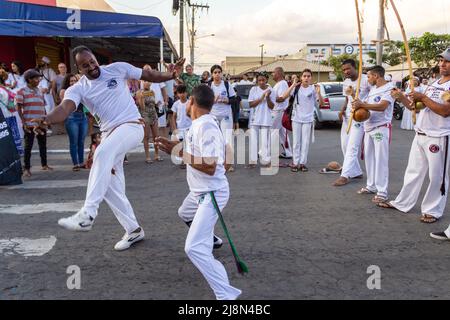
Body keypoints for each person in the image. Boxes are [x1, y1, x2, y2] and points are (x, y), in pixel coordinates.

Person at [31, 46, 184, 251]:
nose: (92, 67)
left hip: (131, 126)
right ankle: (133, 230)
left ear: (96, 59)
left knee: (102, 154)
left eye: (92, 61)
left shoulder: (117, 69)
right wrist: (46, 119)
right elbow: (64, 108)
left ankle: (87, 214)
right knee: (108, 184)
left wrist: (171, 74)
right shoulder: (78, 88)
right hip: (110, 135)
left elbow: (148, 74)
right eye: (85, 65)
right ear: (79, 68)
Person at [155, 84, 242, 300]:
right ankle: (212, 239)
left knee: (193, 248)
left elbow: (210, 165)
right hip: (199, 192)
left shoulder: (206, 126)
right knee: (185, 213)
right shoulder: (198, 125)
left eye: (186, 100)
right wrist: (173, 145)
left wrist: (178, 152)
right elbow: (206, 150)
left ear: (192, 102)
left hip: (211, 193)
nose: (184, 103)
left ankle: (227, 295)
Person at [377, 48, 450, 226]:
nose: (442, 64)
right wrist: (401, 97)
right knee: (413, 172)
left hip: (439, 136)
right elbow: (414, 108)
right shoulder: (434, 83)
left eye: (447, 62)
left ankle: (432, 210)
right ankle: (403, 203)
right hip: (421, 133)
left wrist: (423, 97)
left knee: (437, 176)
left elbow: (445, 111)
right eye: (441, 61)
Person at [353, 65, 395, 204]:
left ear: (376, 76)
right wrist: (359, 105)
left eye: (369, 76)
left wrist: (363, 105)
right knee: (370, 158)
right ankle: (371, 186)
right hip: (369, 127)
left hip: (380, 128)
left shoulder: (390, 88)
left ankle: (382, 192)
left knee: (380, 160)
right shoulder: (373, 89)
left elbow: (383, 106)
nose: (368, 79)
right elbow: (368, 105)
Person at [333, 59, 371, 186]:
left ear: (355, 67)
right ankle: (356, 171)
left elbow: (373, 96)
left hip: (359, 116)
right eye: (344, 70)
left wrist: (365, 107)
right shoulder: (346, 81)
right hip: (348, 116)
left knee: (352, 146)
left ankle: (345, 174)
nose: (346, 71)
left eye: (348, 68)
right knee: (344, 144)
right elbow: (347, 98)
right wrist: (342, 109)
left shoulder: (366, 79)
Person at [281, 69, 324, 172]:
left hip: (308, 119)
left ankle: (302, 163)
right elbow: (284, 96)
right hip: (296, 118)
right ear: (301, 77)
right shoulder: (296, 88)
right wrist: (293, 85)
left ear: (311, 78)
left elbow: (321, 104)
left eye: (308, 76)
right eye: (304, 76)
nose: (306, 78)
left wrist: (319, 93)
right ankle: (295, 163)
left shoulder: (313, 89)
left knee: (305, 142)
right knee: (296, 142)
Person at [15, 69, 53, 177]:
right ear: (29, 79)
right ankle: (26, 168)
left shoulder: (40, 91)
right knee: (28, 146)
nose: (38, 80)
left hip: (41, 124)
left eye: (39, 78)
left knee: (43, 145)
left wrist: (46, 120)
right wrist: (24, 122)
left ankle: (44, 164)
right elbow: (18, 108)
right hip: (29, 124)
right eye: (36, 78)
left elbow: (43, 107)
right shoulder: (21, 92)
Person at [208, 65, 237, 171]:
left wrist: (227, 100)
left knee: (227, 139)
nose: (217, 74)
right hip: (213, 115)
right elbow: (204, 101)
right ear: (212, 74)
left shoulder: (226, 84)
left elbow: (235, 99)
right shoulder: (208, 85)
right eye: (215, 72)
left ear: (221, 73)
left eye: (219, 72)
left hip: (226, 115)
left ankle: (228, 163)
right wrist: (213, 100)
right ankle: (216, 162)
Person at [247, 72, 276, 168]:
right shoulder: (254, 89)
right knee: (253, 140)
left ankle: (266, 161)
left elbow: (272, 107)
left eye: (263, 80)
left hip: (265, 119)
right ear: (257, 81)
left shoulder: (271, 90)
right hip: (254, 118)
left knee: (265, 141)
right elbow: (251, 104)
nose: (261, 82)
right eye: (259, 80)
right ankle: (253, 161)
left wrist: (267, 97)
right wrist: (262, 97)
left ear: (267, 80)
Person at [60, 73, 88, 171]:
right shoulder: (64, 91)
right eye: (71, 81)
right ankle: (75, 164)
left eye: (75, 81)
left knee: (81, 141)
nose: (73, 83)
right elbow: (63, 106)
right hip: (72, 118)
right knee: (74, 142)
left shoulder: (81, 90)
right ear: (67, 82)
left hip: (83, 117)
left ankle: (81, 162)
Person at [136, 80, 162, 164]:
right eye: (145, 81)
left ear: (151, 83)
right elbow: (141, 106)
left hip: (153, 114)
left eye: (148, 81)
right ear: (142, 82)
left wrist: (157, 104)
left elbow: (153, 103)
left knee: (156, 136)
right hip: (145, 115)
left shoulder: (152, 92)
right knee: (146, 136)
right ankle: (147, 156)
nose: (146, 83)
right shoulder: (139, 92)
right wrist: (141, 98)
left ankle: (157, 155)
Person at [271, 67, 293, 160]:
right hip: (279, 111)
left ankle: (264, 151)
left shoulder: (282, 84)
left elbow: (281, 98)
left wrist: (268, 97)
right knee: (282, 134)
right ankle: (288, 153)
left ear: (278, 73)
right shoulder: (279, 84)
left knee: (272, 131)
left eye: (273, 72)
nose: (272, 74)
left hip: (279, 111)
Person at [0, 68, 23, 155]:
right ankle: (17, 152)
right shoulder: (7, 89)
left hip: (2, 117)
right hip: (11, 115)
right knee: (13, 135)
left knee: (5, 137)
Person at [171, 85, 192, 168]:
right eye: (180, 93)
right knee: (181, 145)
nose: (182, 94)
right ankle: (183, 160)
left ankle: (187, 161)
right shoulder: (176, 104)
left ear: (187, 93)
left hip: (189, 127)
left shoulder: (190, 103)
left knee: (189, 144)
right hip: (180, 127)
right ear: (177, 94)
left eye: (184, 92)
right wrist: (175, 128)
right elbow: (174, 117)